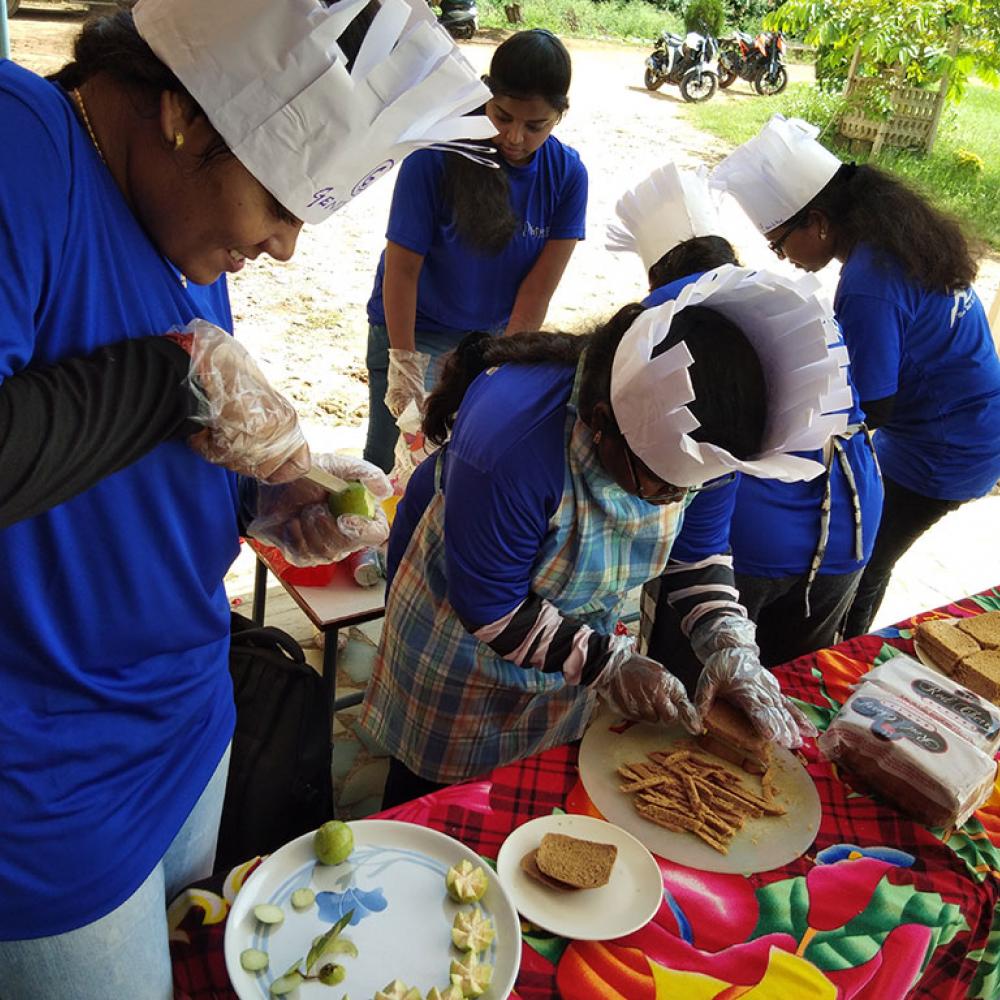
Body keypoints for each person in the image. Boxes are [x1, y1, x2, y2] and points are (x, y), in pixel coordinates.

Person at [0, 0, 493, 996]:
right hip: (49, 777)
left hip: (184, 712)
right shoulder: (24, 146)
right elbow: (159, 383)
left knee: (198, 959)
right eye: (277, 202)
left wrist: (267, 499)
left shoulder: (171, 208)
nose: (282, 250)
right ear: (183, 114)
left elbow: (127, 453)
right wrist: (175, 376)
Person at [357, 265, 849, 808]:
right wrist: (608, 664)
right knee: (433, 808)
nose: (673, 501)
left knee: (532, 802)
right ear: (600, 423)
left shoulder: (705, 432)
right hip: (461, 651)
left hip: (570, 655)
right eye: (662, 488)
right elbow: (493, 608)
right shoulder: (512, 441)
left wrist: (727, 641)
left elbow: (698, 556)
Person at [714, 115, 1000, 637]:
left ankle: (845, 656)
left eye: (780, 244)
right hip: (967, 423)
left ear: (818, 223)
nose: (784, 258)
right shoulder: (895, 239)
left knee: (862, 553)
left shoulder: (869, 280)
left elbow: (867, 407)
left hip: (947, 448)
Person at [608, 163, 883, 674]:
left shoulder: (658, 318)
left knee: (691, 698)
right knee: (790, 692)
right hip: (851, 525)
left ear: (657, 274)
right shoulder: (784, 298)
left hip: (745, 541)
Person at [363, 28, 588, 472]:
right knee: (391, 465)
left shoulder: (567, 176)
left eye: (535, 125)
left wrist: (501, 364)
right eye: (502, 116)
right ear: (486, 95)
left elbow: (536, 290)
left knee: (460, 464)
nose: (515, 137)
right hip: (414, 330)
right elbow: (403, 269)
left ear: (559, 116)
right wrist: (403, 360)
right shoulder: (435, 157)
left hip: (490, 339)